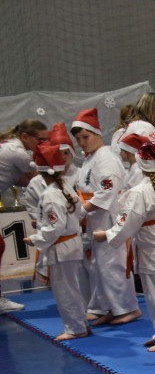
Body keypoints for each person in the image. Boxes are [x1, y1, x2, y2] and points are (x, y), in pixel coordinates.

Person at [95, 132, 155, 352]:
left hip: (154, 246)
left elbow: (128, 223)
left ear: (140, 164)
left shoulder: (140, 192)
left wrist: (106, 234)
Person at [71, 108, 143, 326]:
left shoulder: (107, 158)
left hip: (109, 215)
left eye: (85, 137)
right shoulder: (90, 158)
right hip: (96, 216)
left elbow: (107, 190)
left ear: (97, 133)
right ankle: (110, 306)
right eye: (78, 139)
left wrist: (82, 209)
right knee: (100, 266)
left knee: (113, 264)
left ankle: (128, 308)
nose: (82, 142)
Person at [22, 142, 87, 339]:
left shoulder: (51, 194)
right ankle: (81, 324)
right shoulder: (65, 186)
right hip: (71, 243)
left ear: (40, 171)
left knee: (65, 291)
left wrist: (35, 238)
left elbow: (54, 227)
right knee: (73, 288)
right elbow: (78, 212)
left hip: (61, 247)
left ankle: (75, 329)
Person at [0, 118, 48, 313]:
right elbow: (40, 180)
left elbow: (21, 180)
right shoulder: (18, 153)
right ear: (25, 136)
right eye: (40, 139)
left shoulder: (10, 146)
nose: (43, 144)